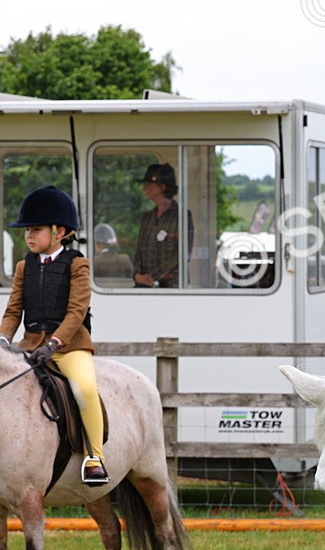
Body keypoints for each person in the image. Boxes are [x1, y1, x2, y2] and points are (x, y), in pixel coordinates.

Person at [0, 186, 108, 483]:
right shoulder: (24, 266)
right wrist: (3, 340)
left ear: (59, 231)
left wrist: (55, 343)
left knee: (85, 389)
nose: (29, 236)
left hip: (69, 347)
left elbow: (76, 312)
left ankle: (94, 457)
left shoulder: (77, 264)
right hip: (31, 345)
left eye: (36, 229)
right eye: (27, 231)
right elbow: (13, 312)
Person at [132, 163, 190, 288]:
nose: (144, 188)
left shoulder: (181, 216)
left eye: (148, 185)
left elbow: (182, 254)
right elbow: (139, 251)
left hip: (173, 288)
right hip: (144, 286)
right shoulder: (147, 217)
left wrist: (153, 277)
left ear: (162, 187)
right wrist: (137, 275)